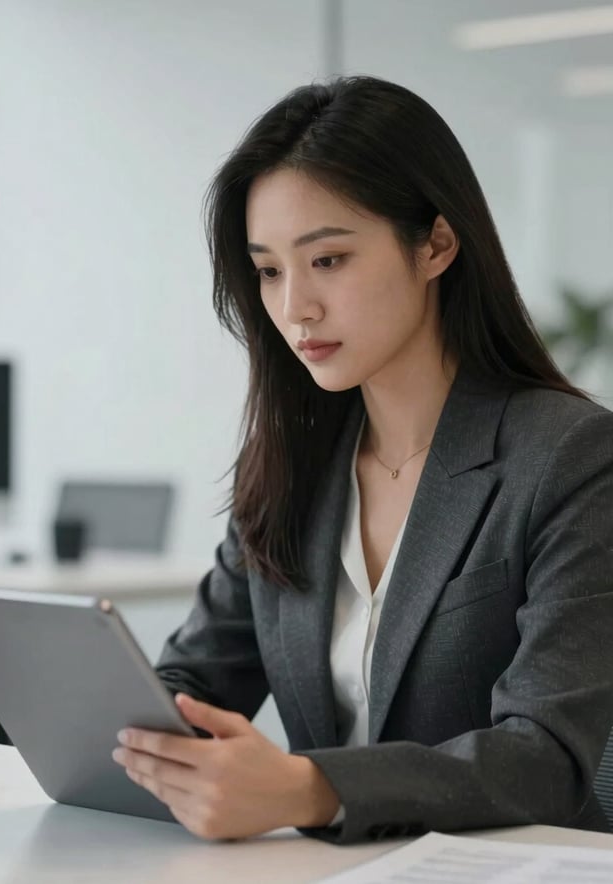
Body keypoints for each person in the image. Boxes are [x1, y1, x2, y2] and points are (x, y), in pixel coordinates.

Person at [110, 75, 613, 844]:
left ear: (437, 245)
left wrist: (309, 790)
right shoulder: (294, 464)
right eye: (270, 270)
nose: (294, 308)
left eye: (330, 260)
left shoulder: (569, 457)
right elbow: (195, 684)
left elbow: (543, 758)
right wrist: (133, 731)